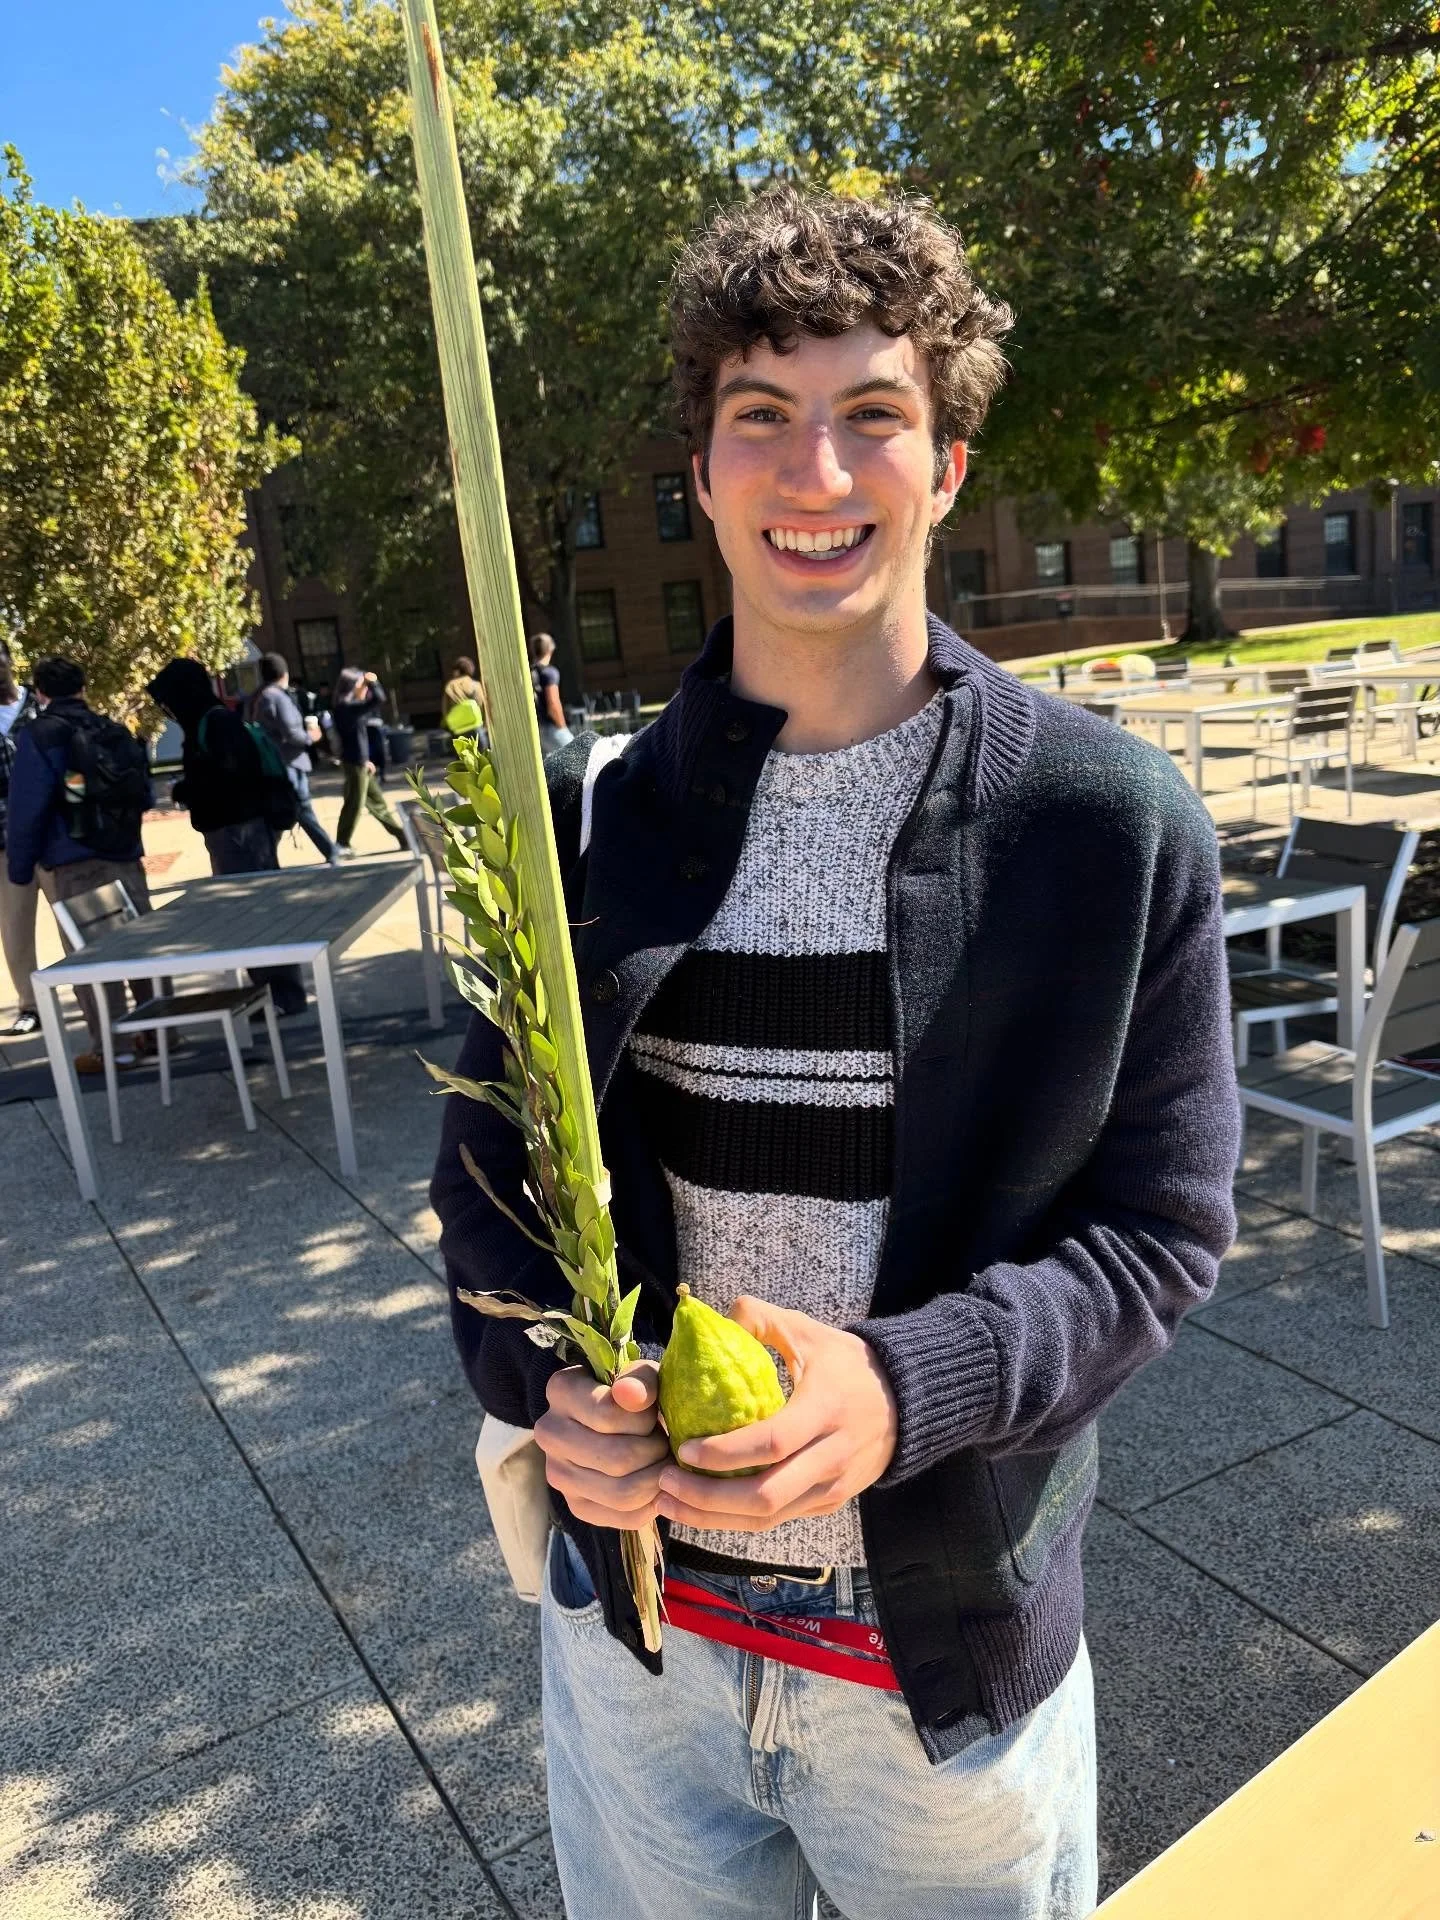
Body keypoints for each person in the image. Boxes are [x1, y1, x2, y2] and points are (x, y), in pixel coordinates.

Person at [431, 186, 1240, 1920]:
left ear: (946, 465)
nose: (816, 474)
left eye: (873, 418)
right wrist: (548, 1400)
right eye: (761, 421)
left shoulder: (1105, 828)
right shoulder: (587, 828)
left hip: (933, 1694)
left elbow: (1161, 1237)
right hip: (637, 1662)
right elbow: (490, 1192)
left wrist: (902, 1390)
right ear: (703, 473)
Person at [6, 655, 155, 1072]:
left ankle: (115, 1049)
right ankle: (162, 1033)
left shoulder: (41, 735)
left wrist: (21, 867)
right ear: (83, 687)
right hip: (125, 854)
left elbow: (28, 807)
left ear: (39, 692)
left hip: (75, 859)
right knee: (143, 949)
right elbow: (143, 793)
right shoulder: (111, 728)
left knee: (95, 959)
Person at [147, 659, 307, 1017]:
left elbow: (231, 778)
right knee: (255, 912)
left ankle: (280, 995)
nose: (169, 711)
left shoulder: (214, 723)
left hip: (238, 831)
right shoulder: (215, 718)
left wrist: (189, 788)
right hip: (239, 828)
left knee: (256, 912)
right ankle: (272, 993)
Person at [249, 651, 339, 863]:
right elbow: (292, 733)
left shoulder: (260, 696)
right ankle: (330, 851)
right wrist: (311, 737)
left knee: (283, 812)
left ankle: (265, 859)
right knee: (299, 808)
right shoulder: (277, 697)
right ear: (284, 673)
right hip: (289, 763)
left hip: (276, 763)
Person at [0, 645, 41, 1035]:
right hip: (6, 840)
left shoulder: (38, 705)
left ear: (10, 659)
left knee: (76, 917)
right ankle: (30, 1005)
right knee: (14, 926)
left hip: (53, 834)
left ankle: (94, 994)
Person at [331, 668, 408, 853]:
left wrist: (366, 760)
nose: (366, 689)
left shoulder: (348, 706)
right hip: (355, 762)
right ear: (351, 686)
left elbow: (357, 737)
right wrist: (373, 681)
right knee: (355, 804)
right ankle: (342, 843)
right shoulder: (346, 707)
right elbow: (379, 699)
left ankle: (405, 837)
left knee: (376, 802)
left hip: (359, 762)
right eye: (362, 685)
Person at [529, 632, 573, 755]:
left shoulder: (530, 672)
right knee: (575, 756)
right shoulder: (549, 672)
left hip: (536, 729)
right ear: (550, 649)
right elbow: (553, 703)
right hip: (552, 728)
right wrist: (562, 727)